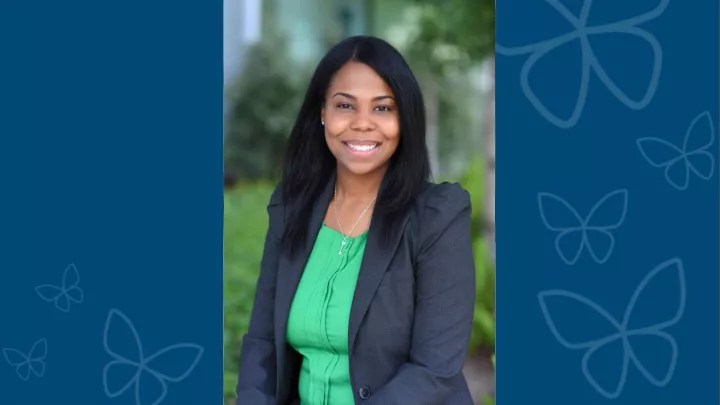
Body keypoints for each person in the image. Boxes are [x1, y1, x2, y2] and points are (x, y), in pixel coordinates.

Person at [236, 35, 476, 405]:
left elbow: (434, 370)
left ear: (404, 118)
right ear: (322, 113)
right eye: (345, 105)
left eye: (382, 108)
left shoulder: (437, 217)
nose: (362, 123)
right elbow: (262, 343)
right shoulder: (290, 208)